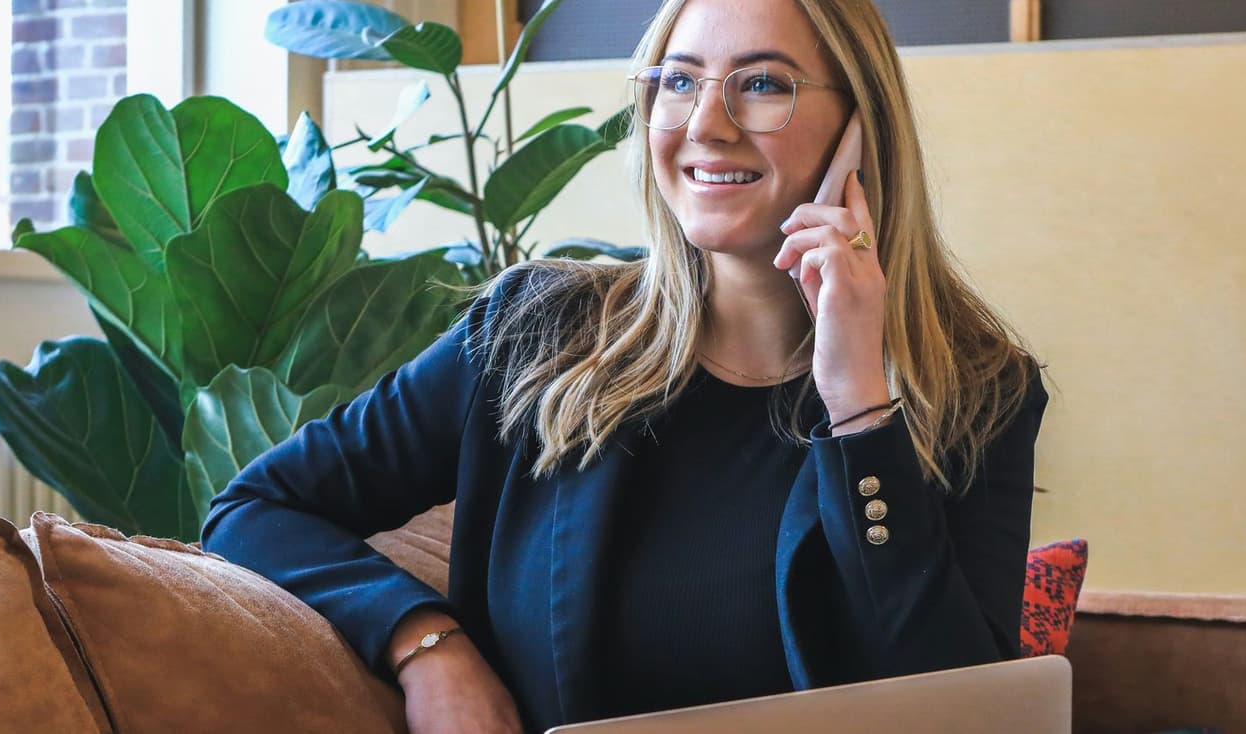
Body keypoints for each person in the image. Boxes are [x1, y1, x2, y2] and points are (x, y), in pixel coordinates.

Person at [200, 0, 1050, 731]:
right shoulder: (532, 335)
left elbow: (963, 708)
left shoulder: (979, 391)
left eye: (761, 84)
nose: (705, 125)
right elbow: (255, 506)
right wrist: (427, 642)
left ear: (861, 126)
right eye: (677, 82)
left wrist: (860, 407)